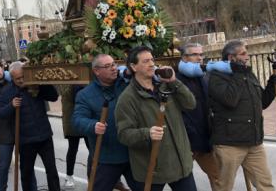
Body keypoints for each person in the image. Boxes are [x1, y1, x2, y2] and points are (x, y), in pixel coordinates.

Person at [115, 46, 197, 191]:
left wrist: (174, 81)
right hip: (152, 169)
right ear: (134, 66)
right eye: (146, 61)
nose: (152, 64)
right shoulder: (127, 98)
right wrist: (147, 133)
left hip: (180, 164)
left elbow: (190, 104)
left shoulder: (167, 86)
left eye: (152, 60)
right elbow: (124, 134)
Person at [207, 40, 276, 191]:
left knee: (266, 185)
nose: (247, 57)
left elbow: (262, 102)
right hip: (229, 144)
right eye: (243, 54)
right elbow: (230, 100)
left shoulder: (247, 74)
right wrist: (239, 74)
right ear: (231, 58)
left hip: (253, 143)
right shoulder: (216, 76)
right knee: (224, 187)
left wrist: (273, 84)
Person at [73, 54, 137, 191]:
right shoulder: (85, 95)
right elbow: (78, 120)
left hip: (132, 153)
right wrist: (92, 125)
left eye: (113, 64)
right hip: (106, 157)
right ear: (96, 71)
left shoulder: (126, 84)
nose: (113, 68)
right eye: (107, 66)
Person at [0, 61, 60, 191]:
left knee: (51, 170)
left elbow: (54, 97)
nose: (21, 80)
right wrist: (11, 106)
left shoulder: (35, 84)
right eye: (18, 78)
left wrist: (43, 84)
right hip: (25, 140)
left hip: (44, 136)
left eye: (23, 76)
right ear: (12, 78)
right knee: (27, 173)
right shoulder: (7, 91)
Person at [0, 59, 37, 191]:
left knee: (27, 165)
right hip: (3, 134)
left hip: (22, 130)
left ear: (2, 68)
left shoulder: (14, 82)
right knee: (4, 166)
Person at [177, 43, 220, 190]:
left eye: (201, 55)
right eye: (195, 55)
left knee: (218, 176)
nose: (199, 58)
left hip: (204, 138)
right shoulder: (176, 79)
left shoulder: (202, 76)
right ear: (184, 57)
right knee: (180, 180)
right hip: (186, 141)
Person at [59, 84, 88, 188]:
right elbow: (70, 96)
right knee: (73, 149)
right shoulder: (67, 82)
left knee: (93, 149)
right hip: (73, 119)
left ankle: (93, 176)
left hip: (87, 118)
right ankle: (69, 176)